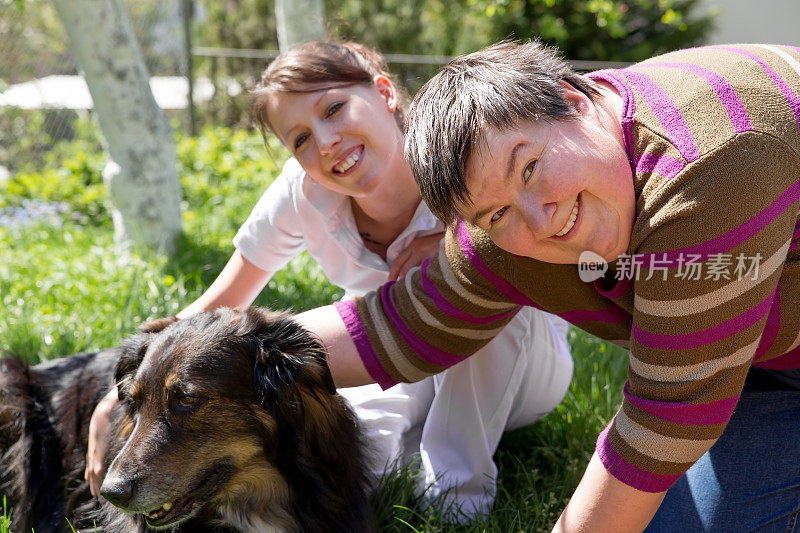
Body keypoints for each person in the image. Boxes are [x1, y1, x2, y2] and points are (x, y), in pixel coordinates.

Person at [277, 40, 800, 531]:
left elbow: (667, 419)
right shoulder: (508, 234)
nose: (540, 219)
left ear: (573, 101)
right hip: (760, 362)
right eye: (499, 212)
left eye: (530, 168)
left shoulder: (713, 164)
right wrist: (239, 352)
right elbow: (403, 325)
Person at [85, 41, 574, 520]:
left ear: (384, 92)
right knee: (356, 461)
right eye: (299, 138)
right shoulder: (303, 193)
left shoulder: (453, 156)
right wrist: (118, 398)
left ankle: (459, 500)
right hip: (396, 352)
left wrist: (462, 247)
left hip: (520, 364)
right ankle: (413, 461)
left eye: (334, 108)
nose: (324, 141)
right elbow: (218, 305)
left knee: (480, 298)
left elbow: (535, 240)